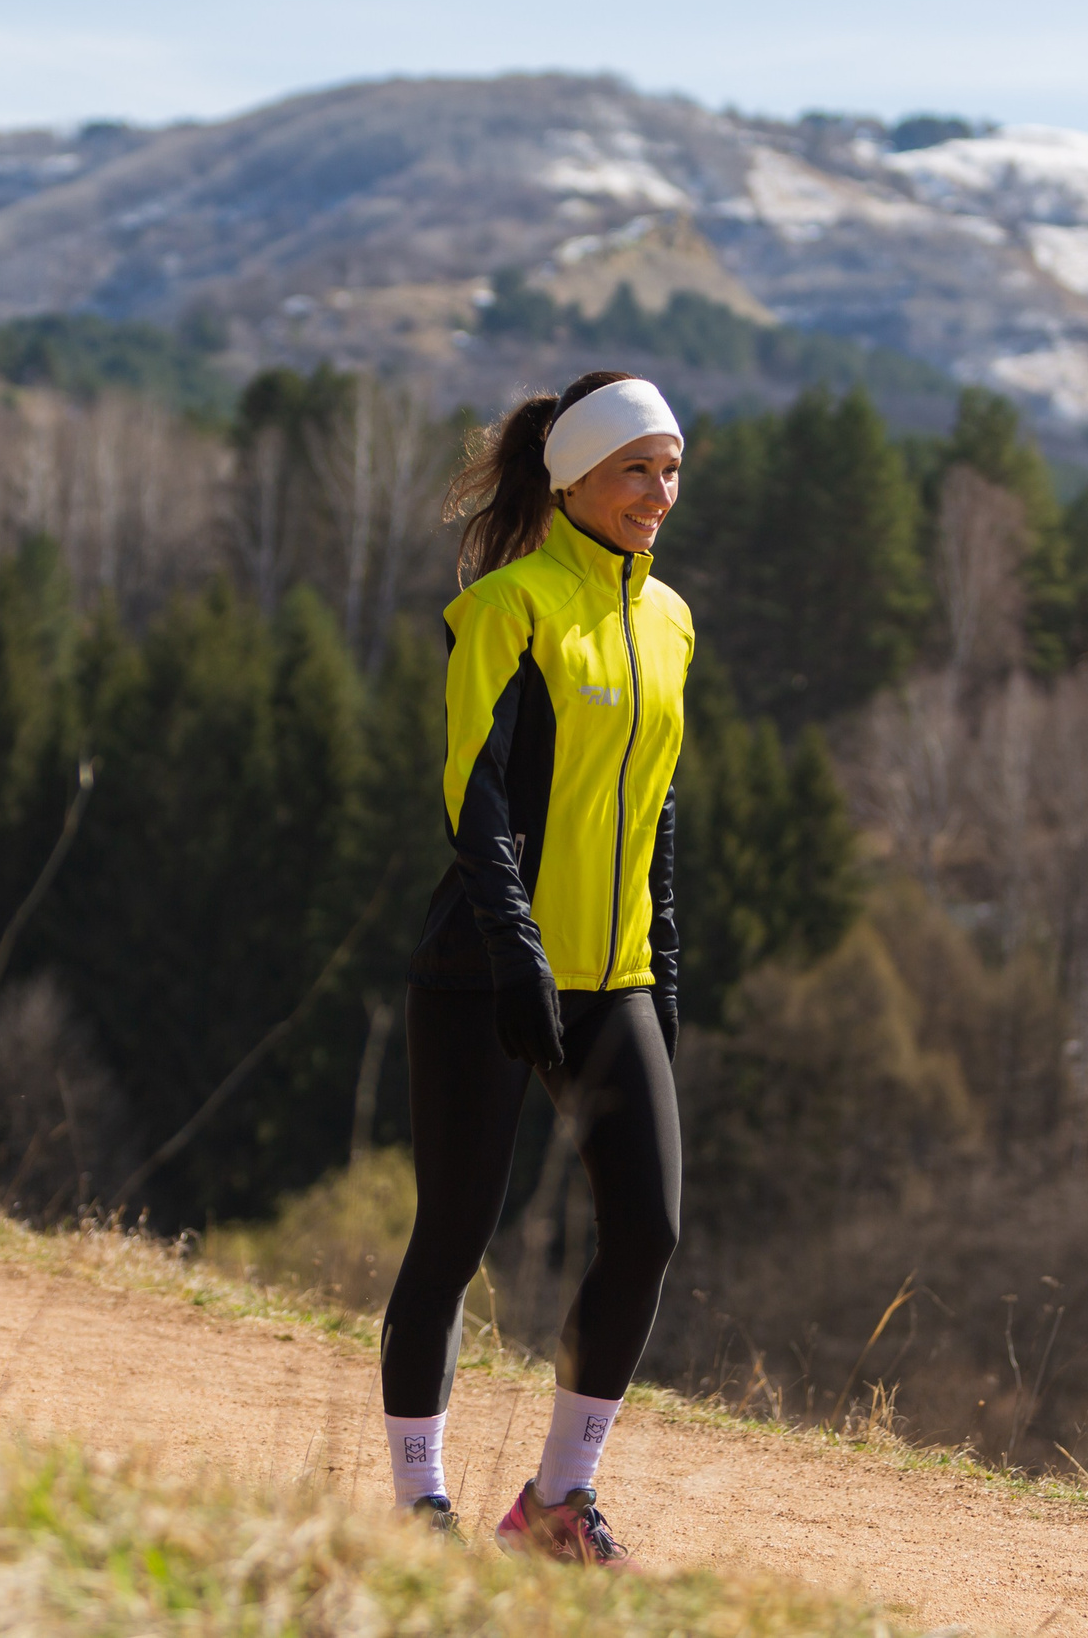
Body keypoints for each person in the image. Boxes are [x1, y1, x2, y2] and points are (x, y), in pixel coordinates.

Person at [379, 370, 692, 1566]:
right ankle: (419, 1508)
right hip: (484, 969)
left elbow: (655, 814)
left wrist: (660, 978)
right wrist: (515, 952)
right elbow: (478, 791)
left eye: (670, 472)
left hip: (610, 979)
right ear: (575, 478)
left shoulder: (670, 624)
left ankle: (556, 1504)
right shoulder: (506, 608)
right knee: (454, 1236)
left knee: (649, 1227)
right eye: (635, 470)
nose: (657, 495)